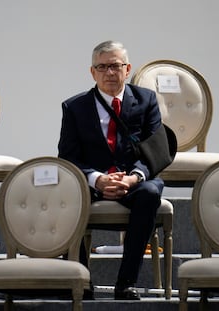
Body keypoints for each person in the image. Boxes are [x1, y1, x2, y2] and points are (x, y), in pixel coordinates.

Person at [58, 40, 164, 300]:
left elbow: (156, 150)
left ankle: (126, 282)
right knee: (67, 190)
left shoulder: (146, 100)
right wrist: (98, 179)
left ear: (127, 69)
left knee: (151, 192)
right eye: (102, 67)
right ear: (92, 72)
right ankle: (81, 280)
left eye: (115, 66)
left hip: (133, 180)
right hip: (93, 182)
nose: (109, 73)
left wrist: (132, 178)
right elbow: (67, 157)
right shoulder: (74, 107)